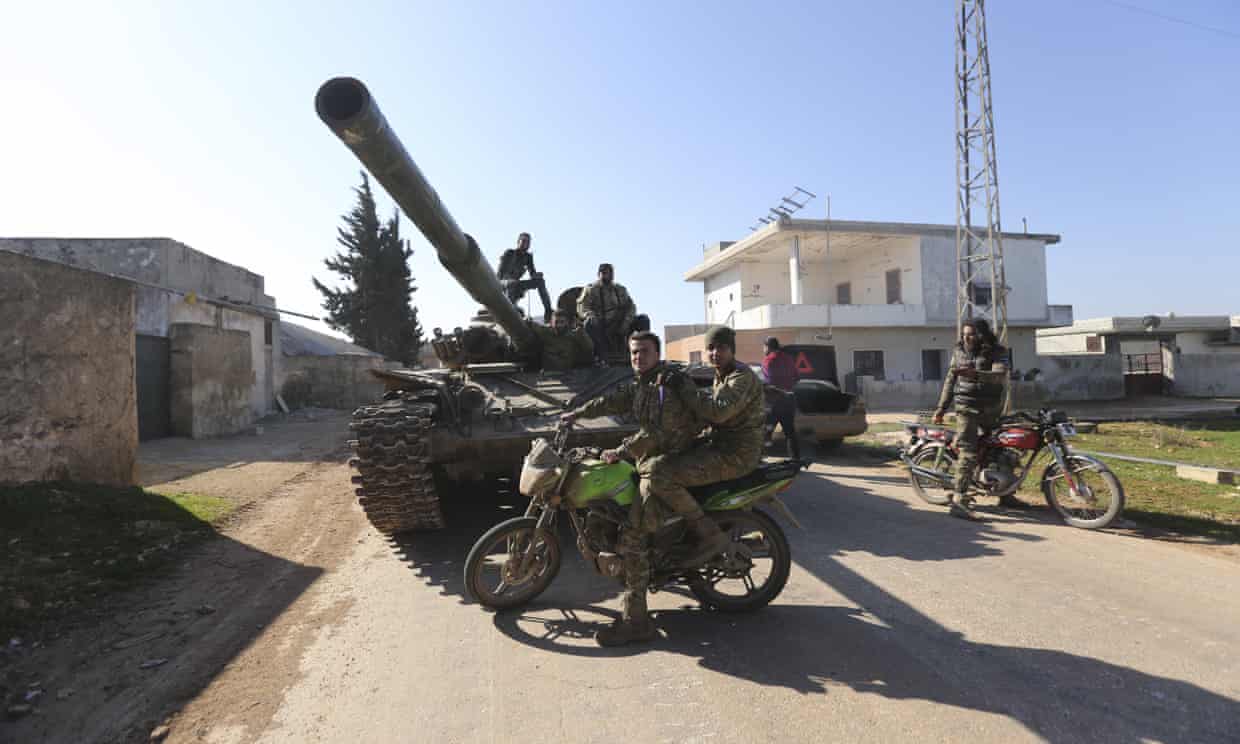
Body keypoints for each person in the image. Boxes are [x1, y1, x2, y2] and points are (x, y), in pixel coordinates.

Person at [561, 331, 708, 647]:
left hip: (673, 461)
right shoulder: (643, 383)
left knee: (634, 532)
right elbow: (612, 400)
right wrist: (578, 414)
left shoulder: (666, 384)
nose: (637, 357)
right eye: (633, 353)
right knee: (607, 509)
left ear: (657, 353)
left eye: (643, 352)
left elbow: (658, 433)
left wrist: (622, 450)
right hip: (653, 458)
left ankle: (637, 622)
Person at [659, 325, 765, 558]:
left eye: (721, 348)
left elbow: (718, 412)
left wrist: (685, 386)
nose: (715, 353)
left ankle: (707, 535)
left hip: (737, 454)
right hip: (723, 445)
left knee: (663, 475)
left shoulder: (741, 376)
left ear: (732, 350)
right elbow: (706, 414)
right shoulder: (721, 375)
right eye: (710, 348)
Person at [932, 318, 1011, 520]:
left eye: (972, 334)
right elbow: (950, 381)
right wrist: (941, 408)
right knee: (968, 451)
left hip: (992, 407)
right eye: (965, 334)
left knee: (1001, 448)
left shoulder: (998, 352)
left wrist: (975, 374)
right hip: (966, 407)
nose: (967, 337)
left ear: (983, 335)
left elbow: (999, 376)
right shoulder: (958, 351)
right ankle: (959, 500)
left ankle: (1007, 494)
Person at [576, 263, 641, 360]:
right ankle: (601, 355)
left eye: (610, 272)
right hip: (601, 322)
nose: (607, 275)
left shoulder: (620, 290)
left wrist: (626, 321)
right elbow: (582, 307)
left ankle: (641, 351)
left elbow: (631, 307)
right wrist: (590, 315)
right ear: (599, 274)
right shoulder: (591, 289)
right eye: (604, 272)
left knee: (643, 319)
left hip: (620, 322)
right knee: (589, 323)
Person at [497, 232, 554, 324]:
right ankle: (510, 311)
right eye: (523, 241)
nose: (525, 244)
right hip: (503, 282)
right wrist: (506, 282)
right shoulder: (510, 253)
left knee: (540, 282)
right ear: (518, 242)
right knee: (512, 283)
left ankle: (548, 311)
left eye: (528, 242)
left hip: (516, 283)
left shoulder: (528, 257)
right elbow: (499, 274)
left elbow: (532, 274)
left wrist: (537, 275)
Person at [762, 336, 801, 461]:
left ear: (768, 346)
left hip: (773, 403)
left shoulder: (768, 360)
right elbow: (797, 378)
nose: (763, 350)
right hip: (789, 401)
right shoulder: (789, 359)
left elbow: (768, 382)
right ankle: (795, 461)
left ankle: (758, 460)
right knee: (790, 433)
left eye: (764, 347)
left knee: (766, 433)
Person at [528, 309, 593, 371]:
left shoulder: (575, 335)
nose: (559, 325)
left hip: (570, 374)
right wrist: (528, 322)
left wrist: (581, 331)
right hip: (548, 375)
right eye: (556, 322)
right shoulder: (546, 333)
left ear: (567, 322)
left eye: (562, 322)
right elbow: (532, 326)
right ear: (551, 322)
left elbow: (589, 348)